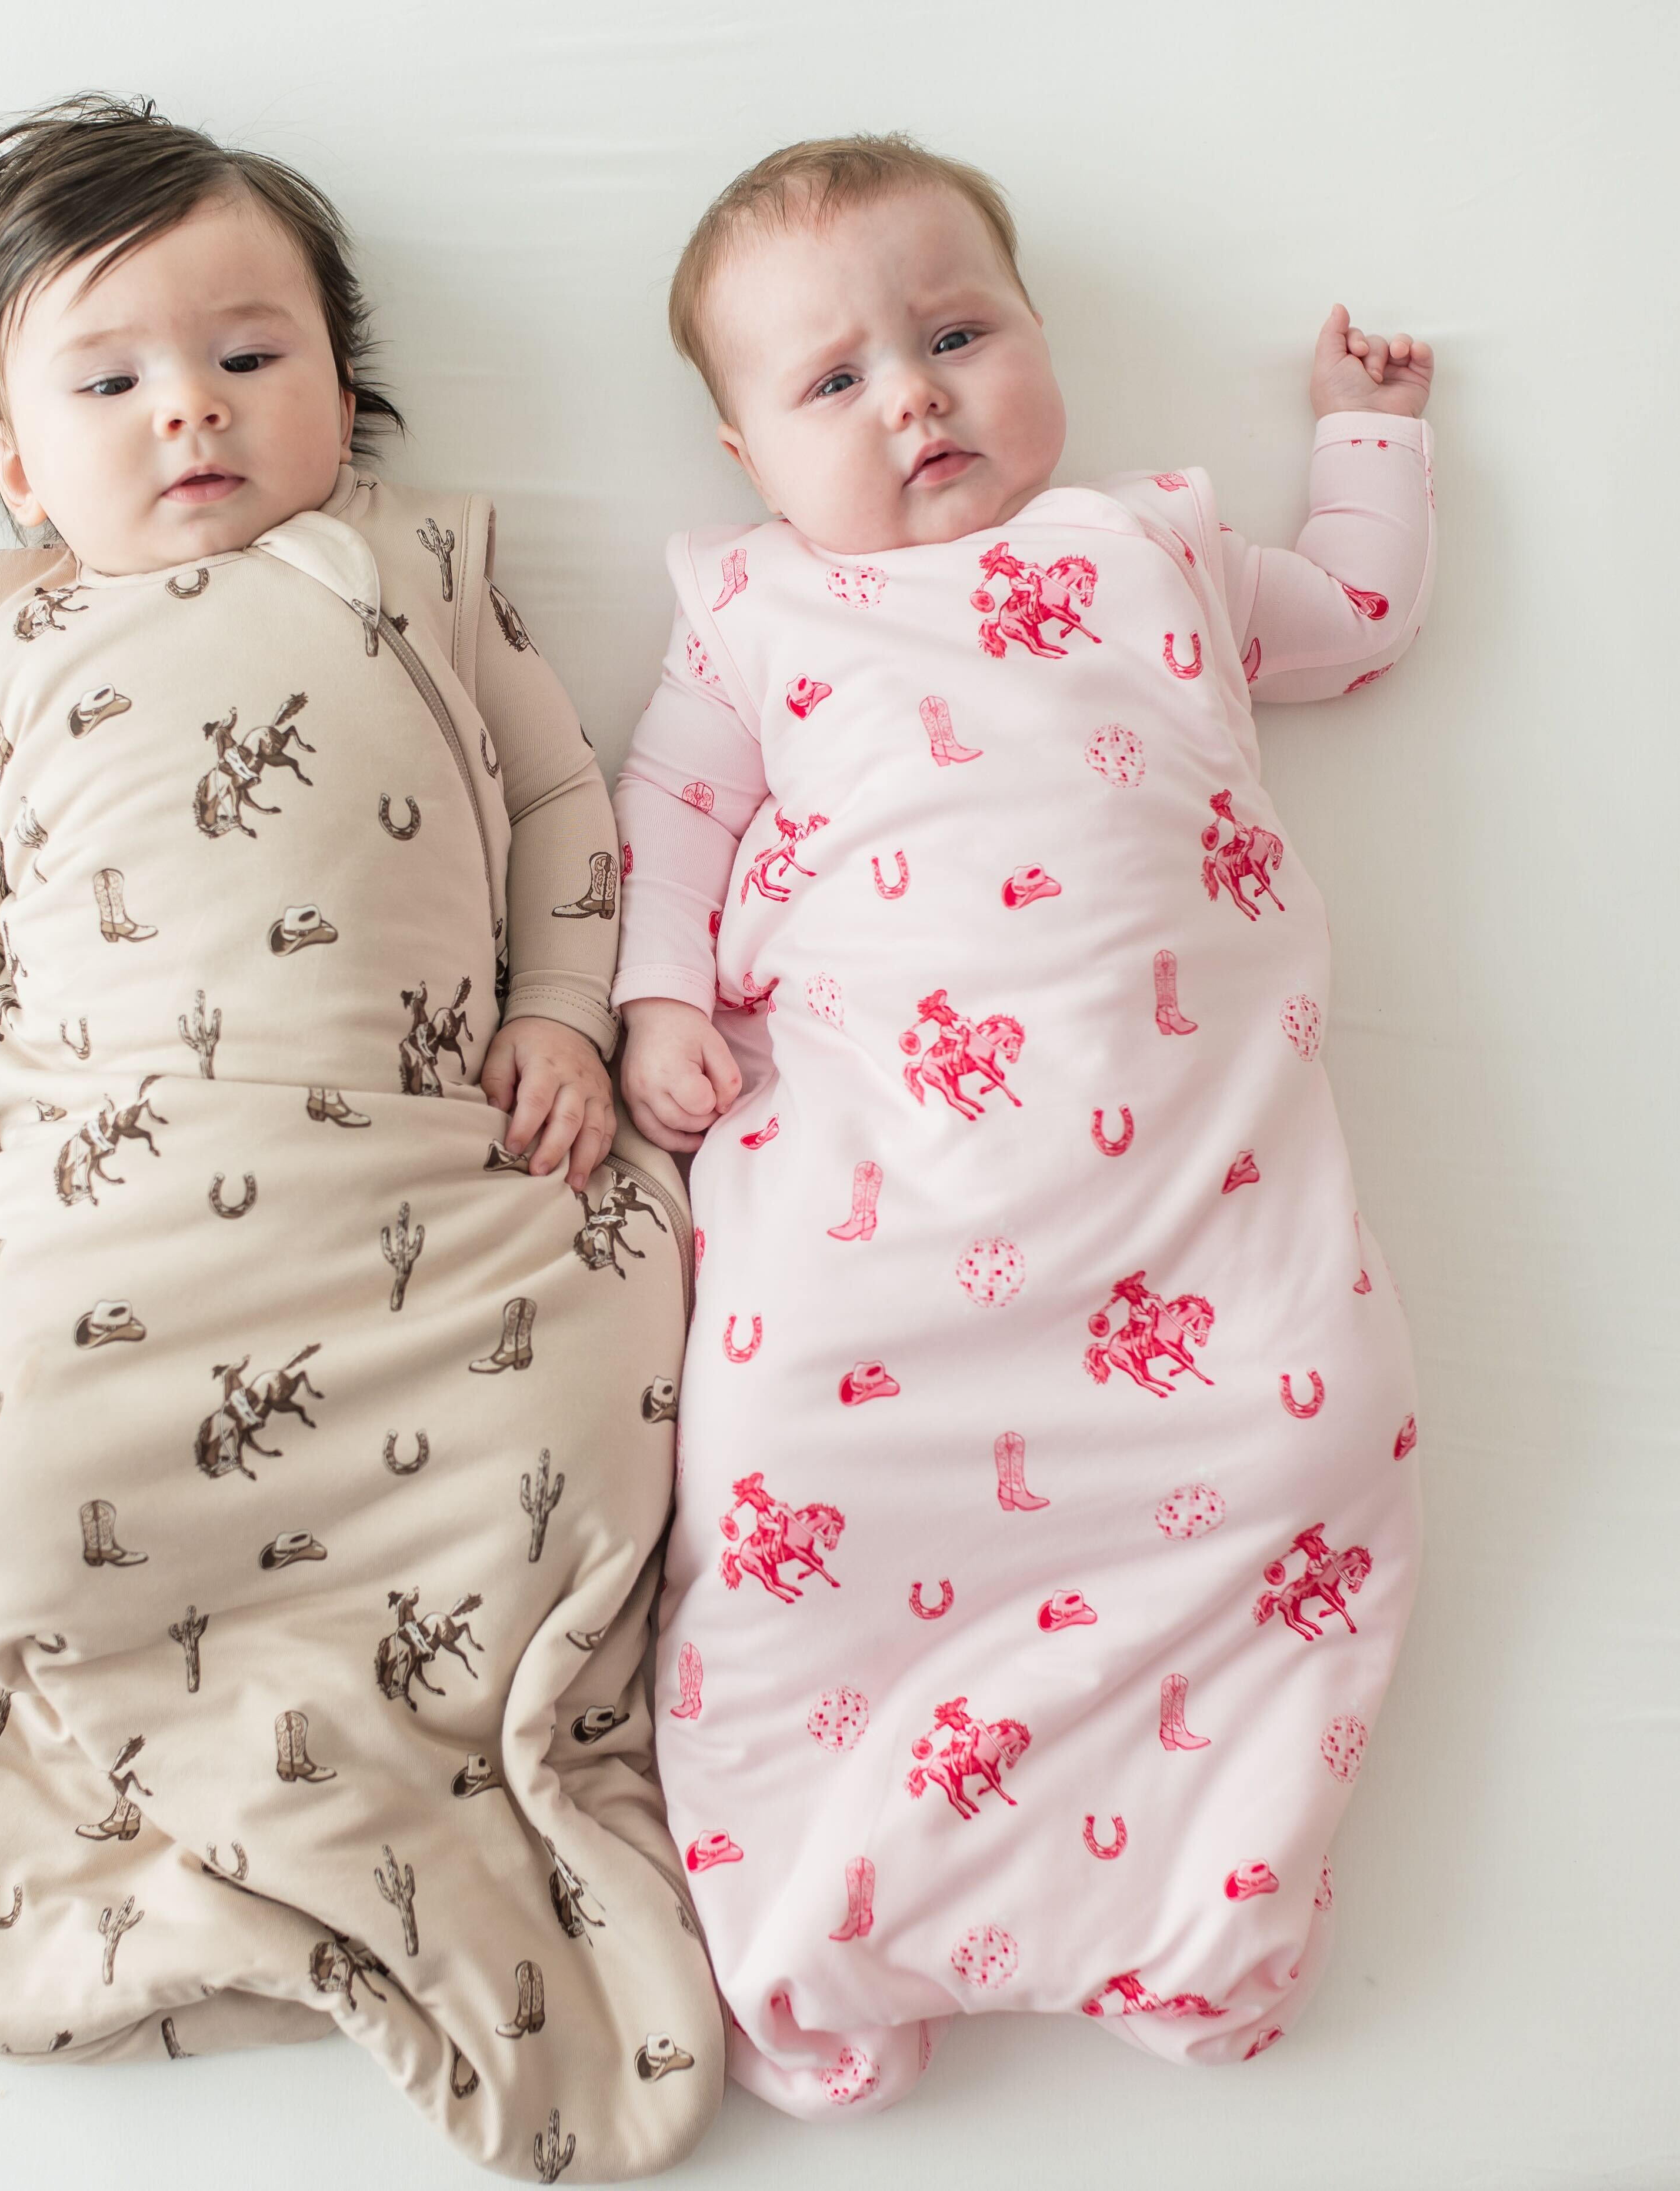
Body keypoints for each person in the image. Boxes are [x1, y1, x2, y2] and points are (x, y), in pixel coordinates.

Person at [0, 94, 718, 2177]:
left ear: (345, 393)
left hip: (433, 1165)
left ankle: (451, 1729)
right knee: (24, 1441)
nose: (191, 414)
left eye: (252, 357)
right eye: (112, 377)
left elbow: (562, 811)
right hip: (127, 1184)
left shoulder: (414, 567)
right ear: (15, 458)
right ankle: (184, 1748)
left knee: (598, 1370)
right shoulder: (11, 646)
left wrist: (557, 1015)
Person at [615, 133, 1431, 2116]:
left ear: (1037, 341)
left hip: (1191, 1199)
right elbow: (675, 814)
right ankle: (817, 1924)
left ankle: (1201, 1897)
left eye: (955, 333)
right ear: (744, 454)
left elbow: (1354, 618)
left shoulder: (1149, 549)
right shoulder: (757, 616)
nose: (911, 394)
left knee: (1311, 1438)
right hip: (875, 1202)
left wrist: (1365, 441)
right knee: (769, 1473)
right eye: (832, 382)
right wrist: (650, 996)